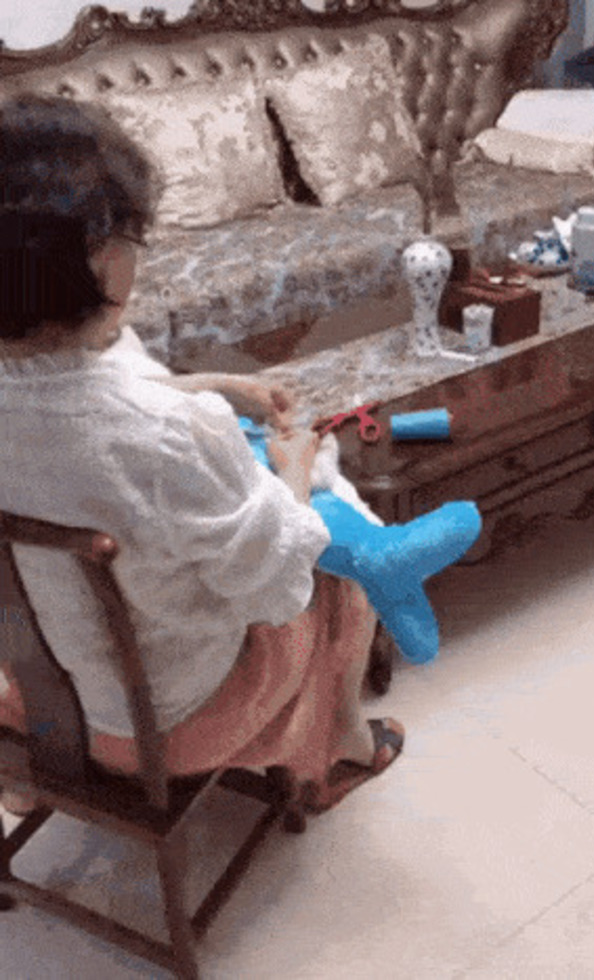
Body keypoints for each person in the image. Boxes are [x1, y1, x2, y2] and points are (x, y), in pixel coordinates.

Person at [0, 94, 479, 816]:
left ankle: (28, 777)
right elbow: (276, 585)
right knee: (331, 559)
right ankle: (340, 751)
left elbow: (79, 406)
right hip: (165, 725)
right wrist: (294, 473)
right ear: (104, 263)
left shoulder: (95, 392)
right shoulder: (175, 434)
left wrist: (217, 384)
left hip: (36, 693)